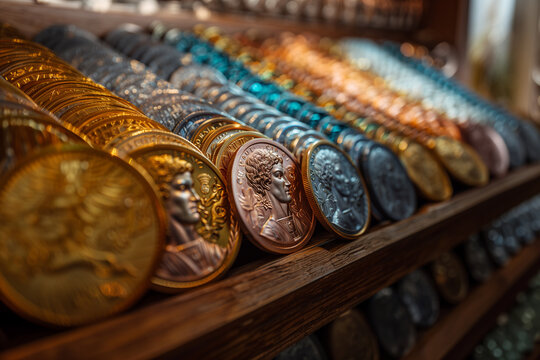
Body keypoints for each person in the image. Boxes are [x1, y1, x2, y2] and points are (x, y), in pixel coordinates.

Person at [152, 156, 225, 282]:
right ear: (160, 194)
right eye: (183, 188)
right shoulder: (161, 266)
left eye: (192, 187)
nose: (196, 197)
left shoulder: (216, 252)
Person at [243, 148, 307, 244]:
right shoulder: (269, 233)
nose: (288, 183)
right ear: (265, 182)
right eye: (279, 176)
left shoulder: (301, 221)